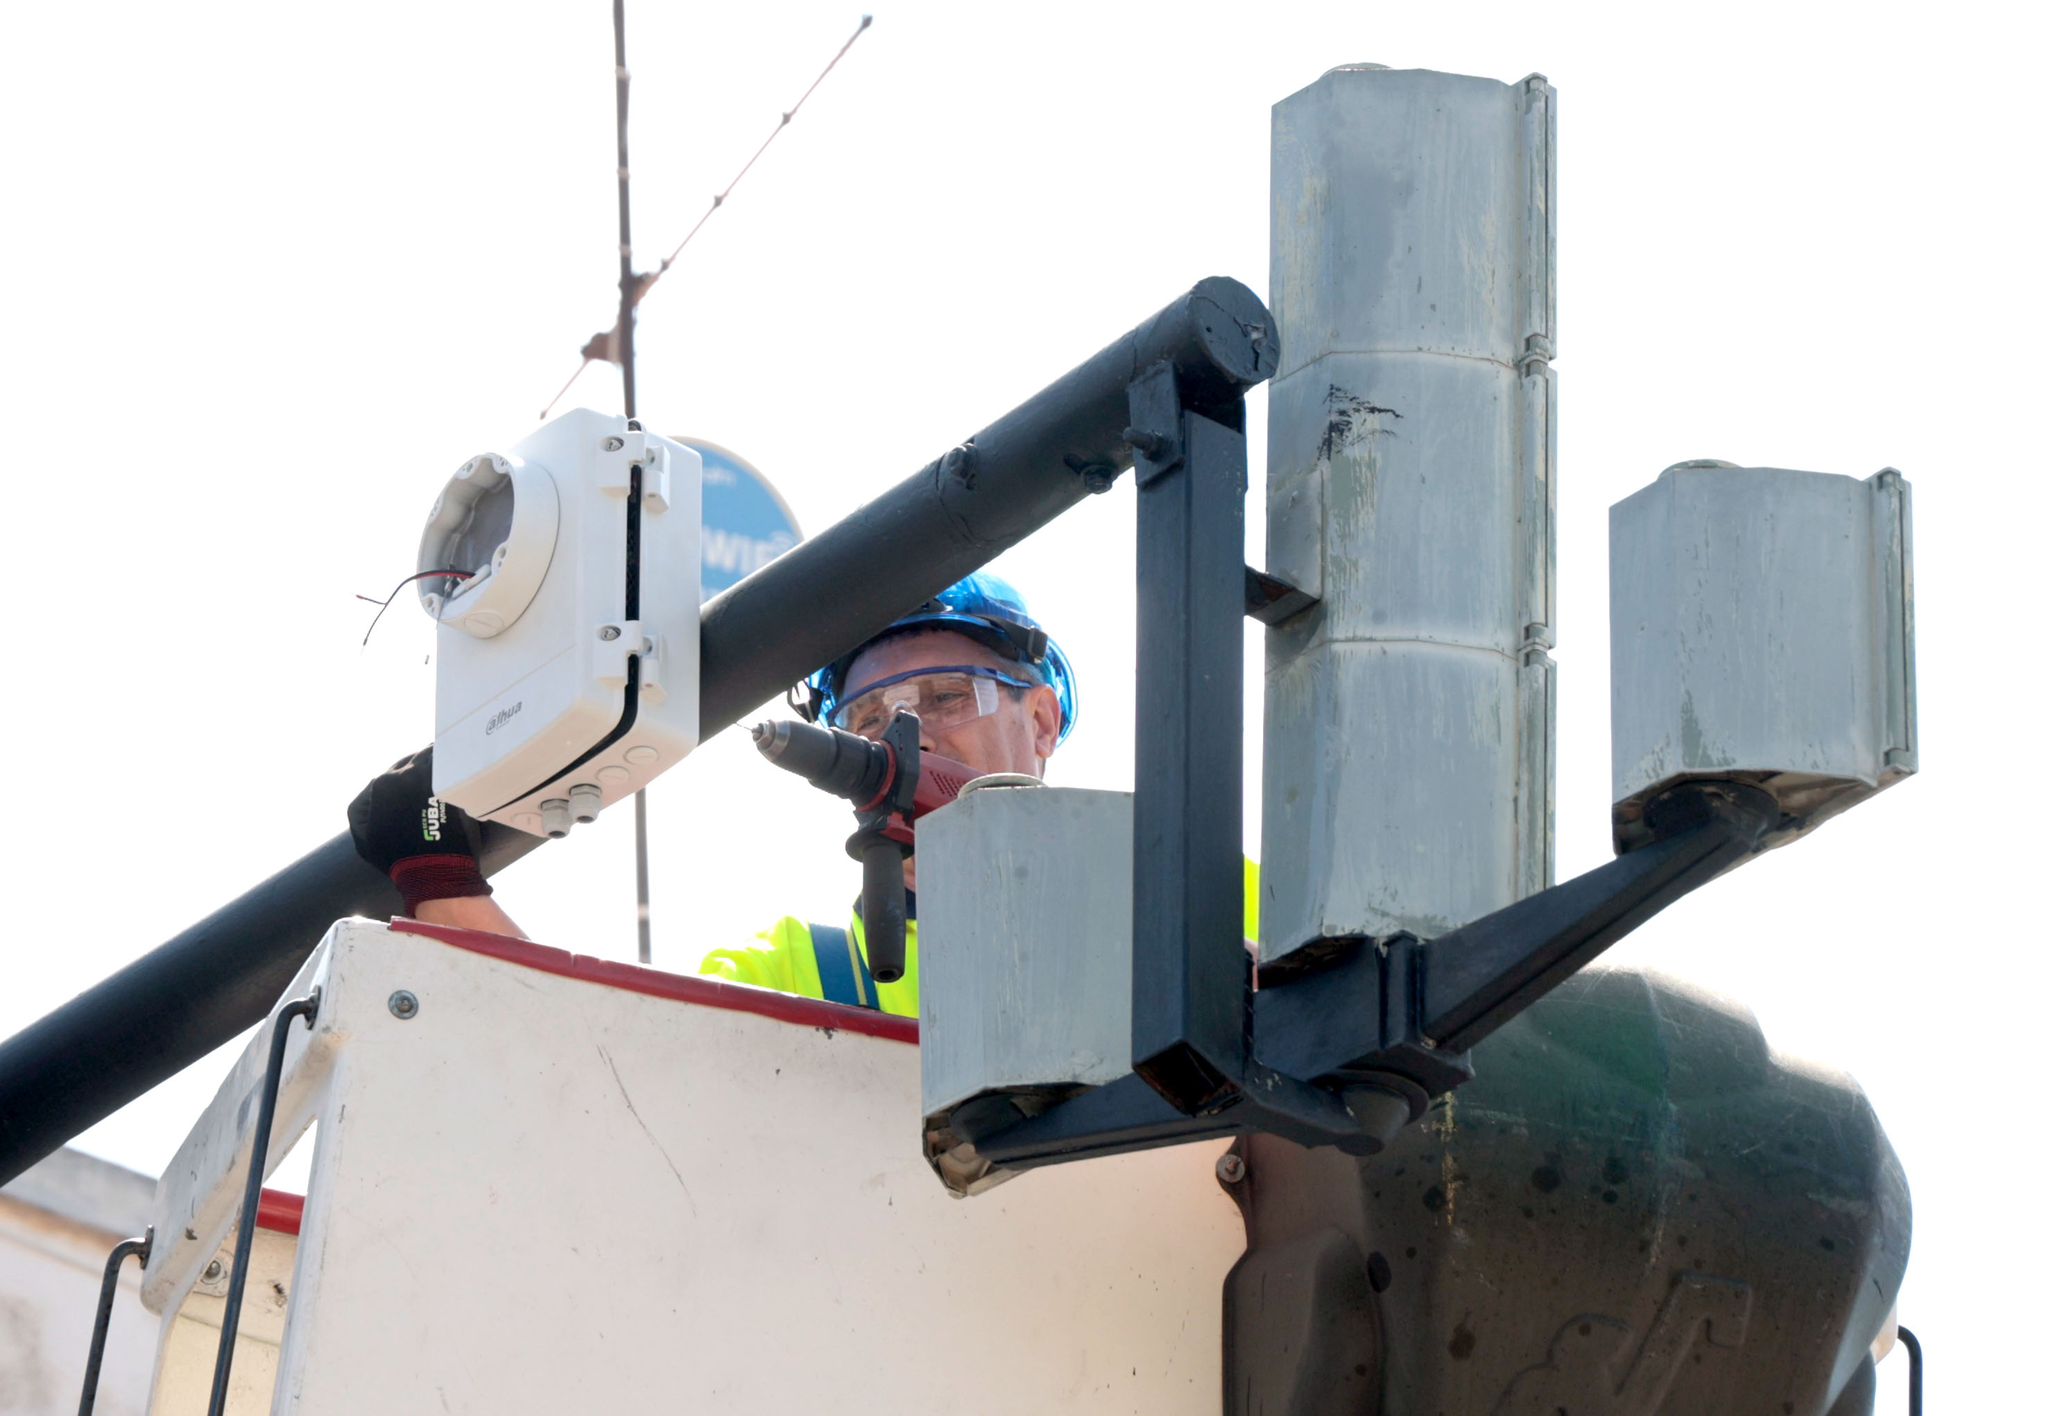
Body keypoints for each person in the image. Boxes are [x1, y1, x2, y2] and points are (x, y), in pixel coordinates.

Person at [346, 573, 1078, 1019]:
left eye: (947, 698)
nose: (906, 740)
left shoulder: (1165, 917)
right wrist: (440, 880)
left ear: (1040, 720)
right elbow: (600, 1069)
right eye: (867, 721)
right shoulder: (802, 975)